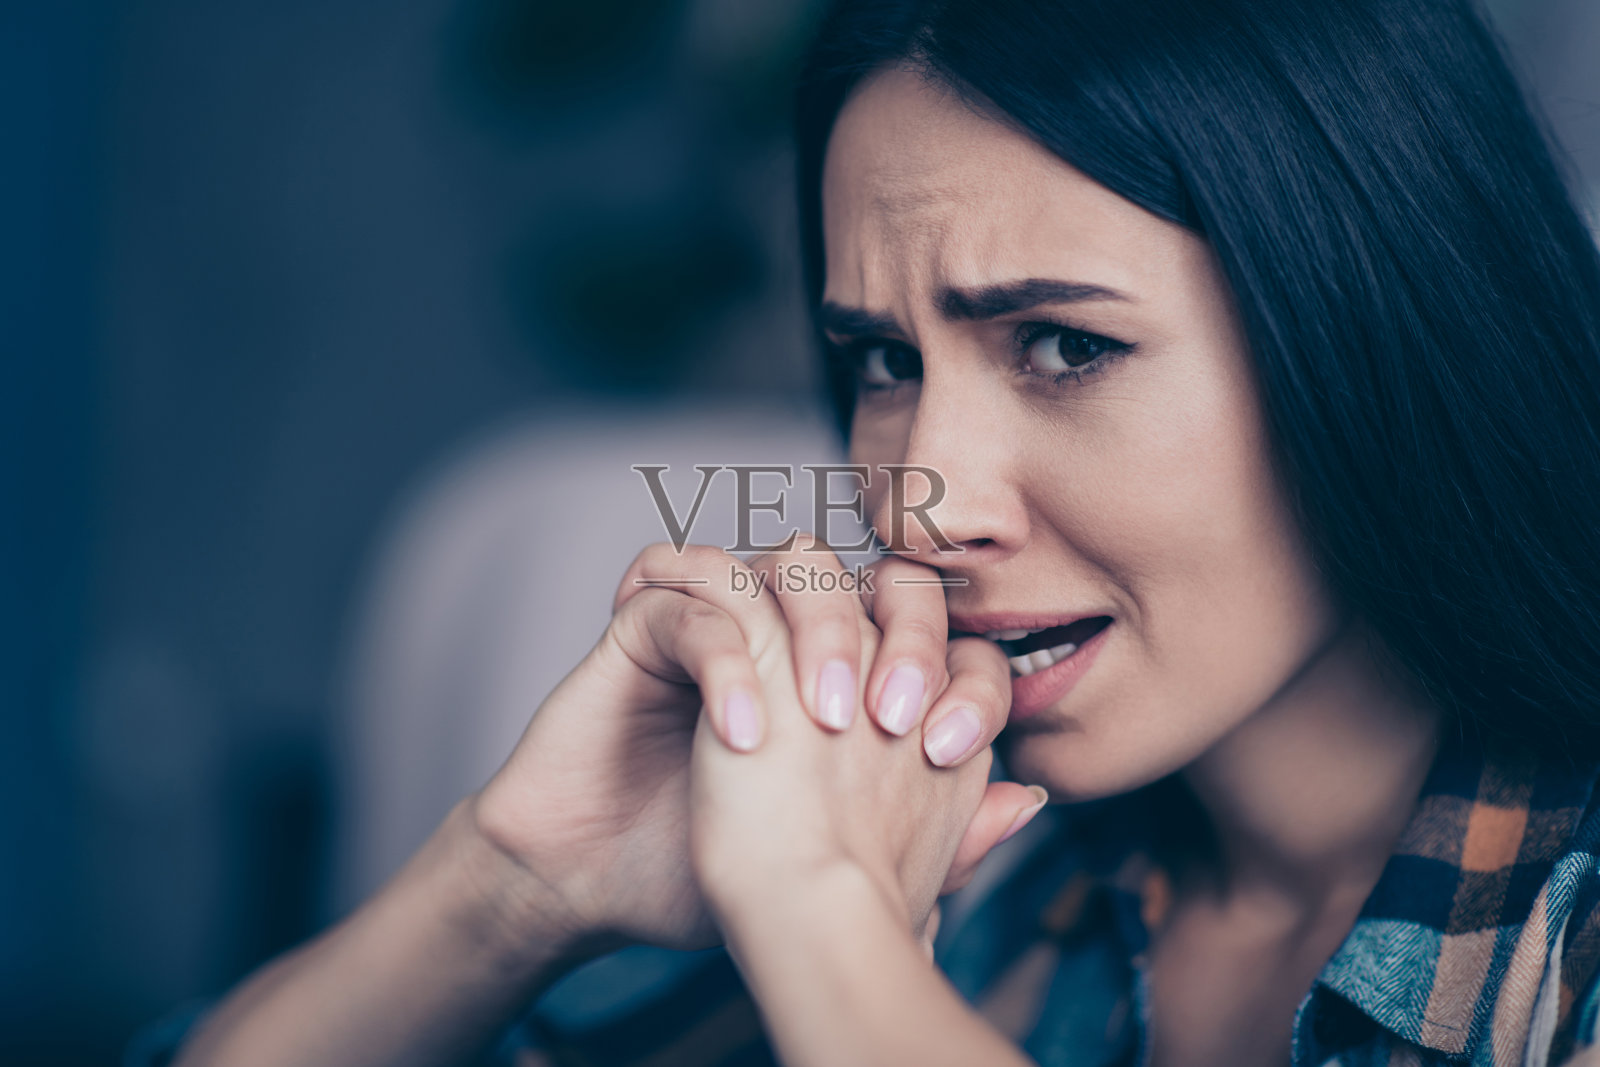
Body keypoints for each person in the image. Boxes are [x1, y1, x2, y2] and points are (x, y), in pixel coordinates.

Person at [145, 0, 1600, 1064]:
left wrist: (826, 920)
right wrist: (512, 887)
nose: (924, 496)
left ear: (1383, 339)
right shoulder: (994, 870)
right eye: (885, 364)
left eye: (1062, 348)